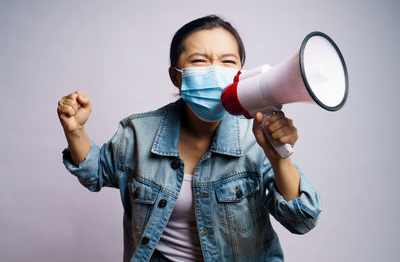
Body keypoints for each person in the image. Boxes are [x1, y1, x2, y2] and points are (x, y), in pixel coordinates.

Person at [58, 15, 321, 262]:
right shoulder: (137, 132)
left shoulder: (255, 139)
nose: (215, 71)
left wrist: (279, 158)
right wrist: (75, 131)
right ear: (176, 76)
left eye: (228, 61)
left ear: (242, 72)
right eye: (198, 61)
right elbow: (95, 172)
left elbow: (302, 220)